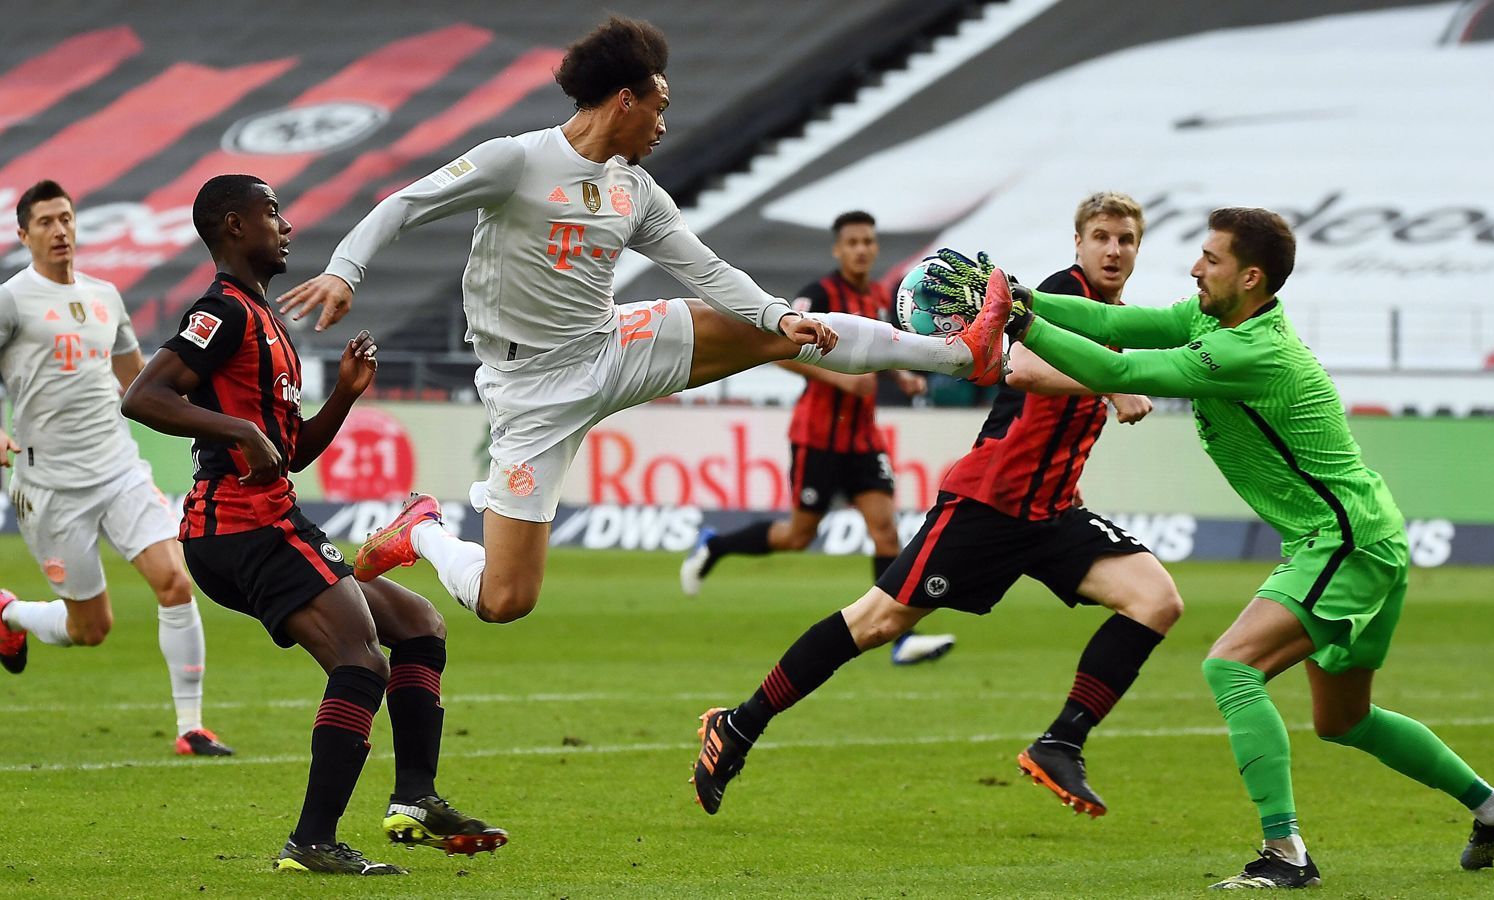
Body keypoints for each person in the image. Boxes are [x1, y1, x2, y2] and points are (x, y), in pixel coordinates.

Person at [276, 16, 1008, 626]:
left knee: (777, 333)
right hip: (530, 390)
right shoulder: (517, 162)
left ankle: (959, 354)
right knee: (506, 601)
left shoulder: (637, 191)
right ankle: (424, 530)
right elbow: (406, 202)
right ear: (624, 100)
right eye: (659, 106)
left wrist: (778, 315)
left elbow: (705, 270)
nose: (665, 123)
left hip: (616, 342)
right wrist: (346, 270)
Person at [962, 207, 1494, 888]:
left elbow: (1115, 364)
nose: (1194, 268)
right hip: (1360, 534)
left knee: (1231, 667)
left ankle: (1285, 854)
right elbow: (1114, 324)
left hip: (1344, 541)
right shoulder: (1218, 318)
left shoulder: (1250, 352)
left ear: (1251, 276)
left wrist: (1020, 323)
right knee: (1344, 720)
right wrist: (1021, 293)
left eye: (1210, 259)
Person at [692, 192, 1181, 820]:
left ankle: (1061, 742)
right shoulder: (1063, 291)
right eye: (1103, 237)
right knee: (877, 624)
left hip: (1053, 512)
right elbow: (1025, 369)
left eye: (1127, 240)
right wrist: (1118, 384)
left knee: (1157, 600)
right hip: (991, 504)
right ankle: (737, 726)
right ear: (1080, 243)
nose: (1114, 250)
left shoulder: (1118, 318)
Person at [122, 175, 505, 875]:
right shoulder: (222, 312)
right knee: (360, 663)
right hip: (236, 526)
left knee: (420, 623)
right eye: (272, 213)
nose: (286, 225)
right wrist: (236, 428)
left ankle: (415, 797)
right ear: (234, 227)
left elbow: (288, 448)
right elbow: (142, 396)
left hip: (270, 518)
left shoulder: (267, 322)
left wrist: (345, 399)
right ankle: (311, 842)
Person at [0, 180, 229, 756]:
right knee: (90, 630)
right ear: (24, 234)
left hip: (119, 469)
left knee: (175, 582)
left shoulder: (105, 296)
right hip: (49, 486)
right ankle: (11, 614)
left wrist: (209, 414)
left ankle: (191, 727)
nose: (60, 231)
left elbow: (139, 383)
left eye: (67, 219)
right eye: (47, 222)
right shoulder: (11, 300)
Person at [679, 210, 955, 665]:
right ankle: (715, 544)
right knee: (797, 536)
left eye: (868, 241)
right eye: (853, 242)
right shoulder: (818, 294)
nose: (861, 249)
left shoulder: (883, 297)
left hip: (863, 438)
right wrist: (842, 381)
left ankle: (900, 639)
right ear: (838, 249)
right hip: (819, 435)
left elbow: (880, 350)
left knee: (886, 531)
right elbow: (778, 349)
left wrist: (901, 375)